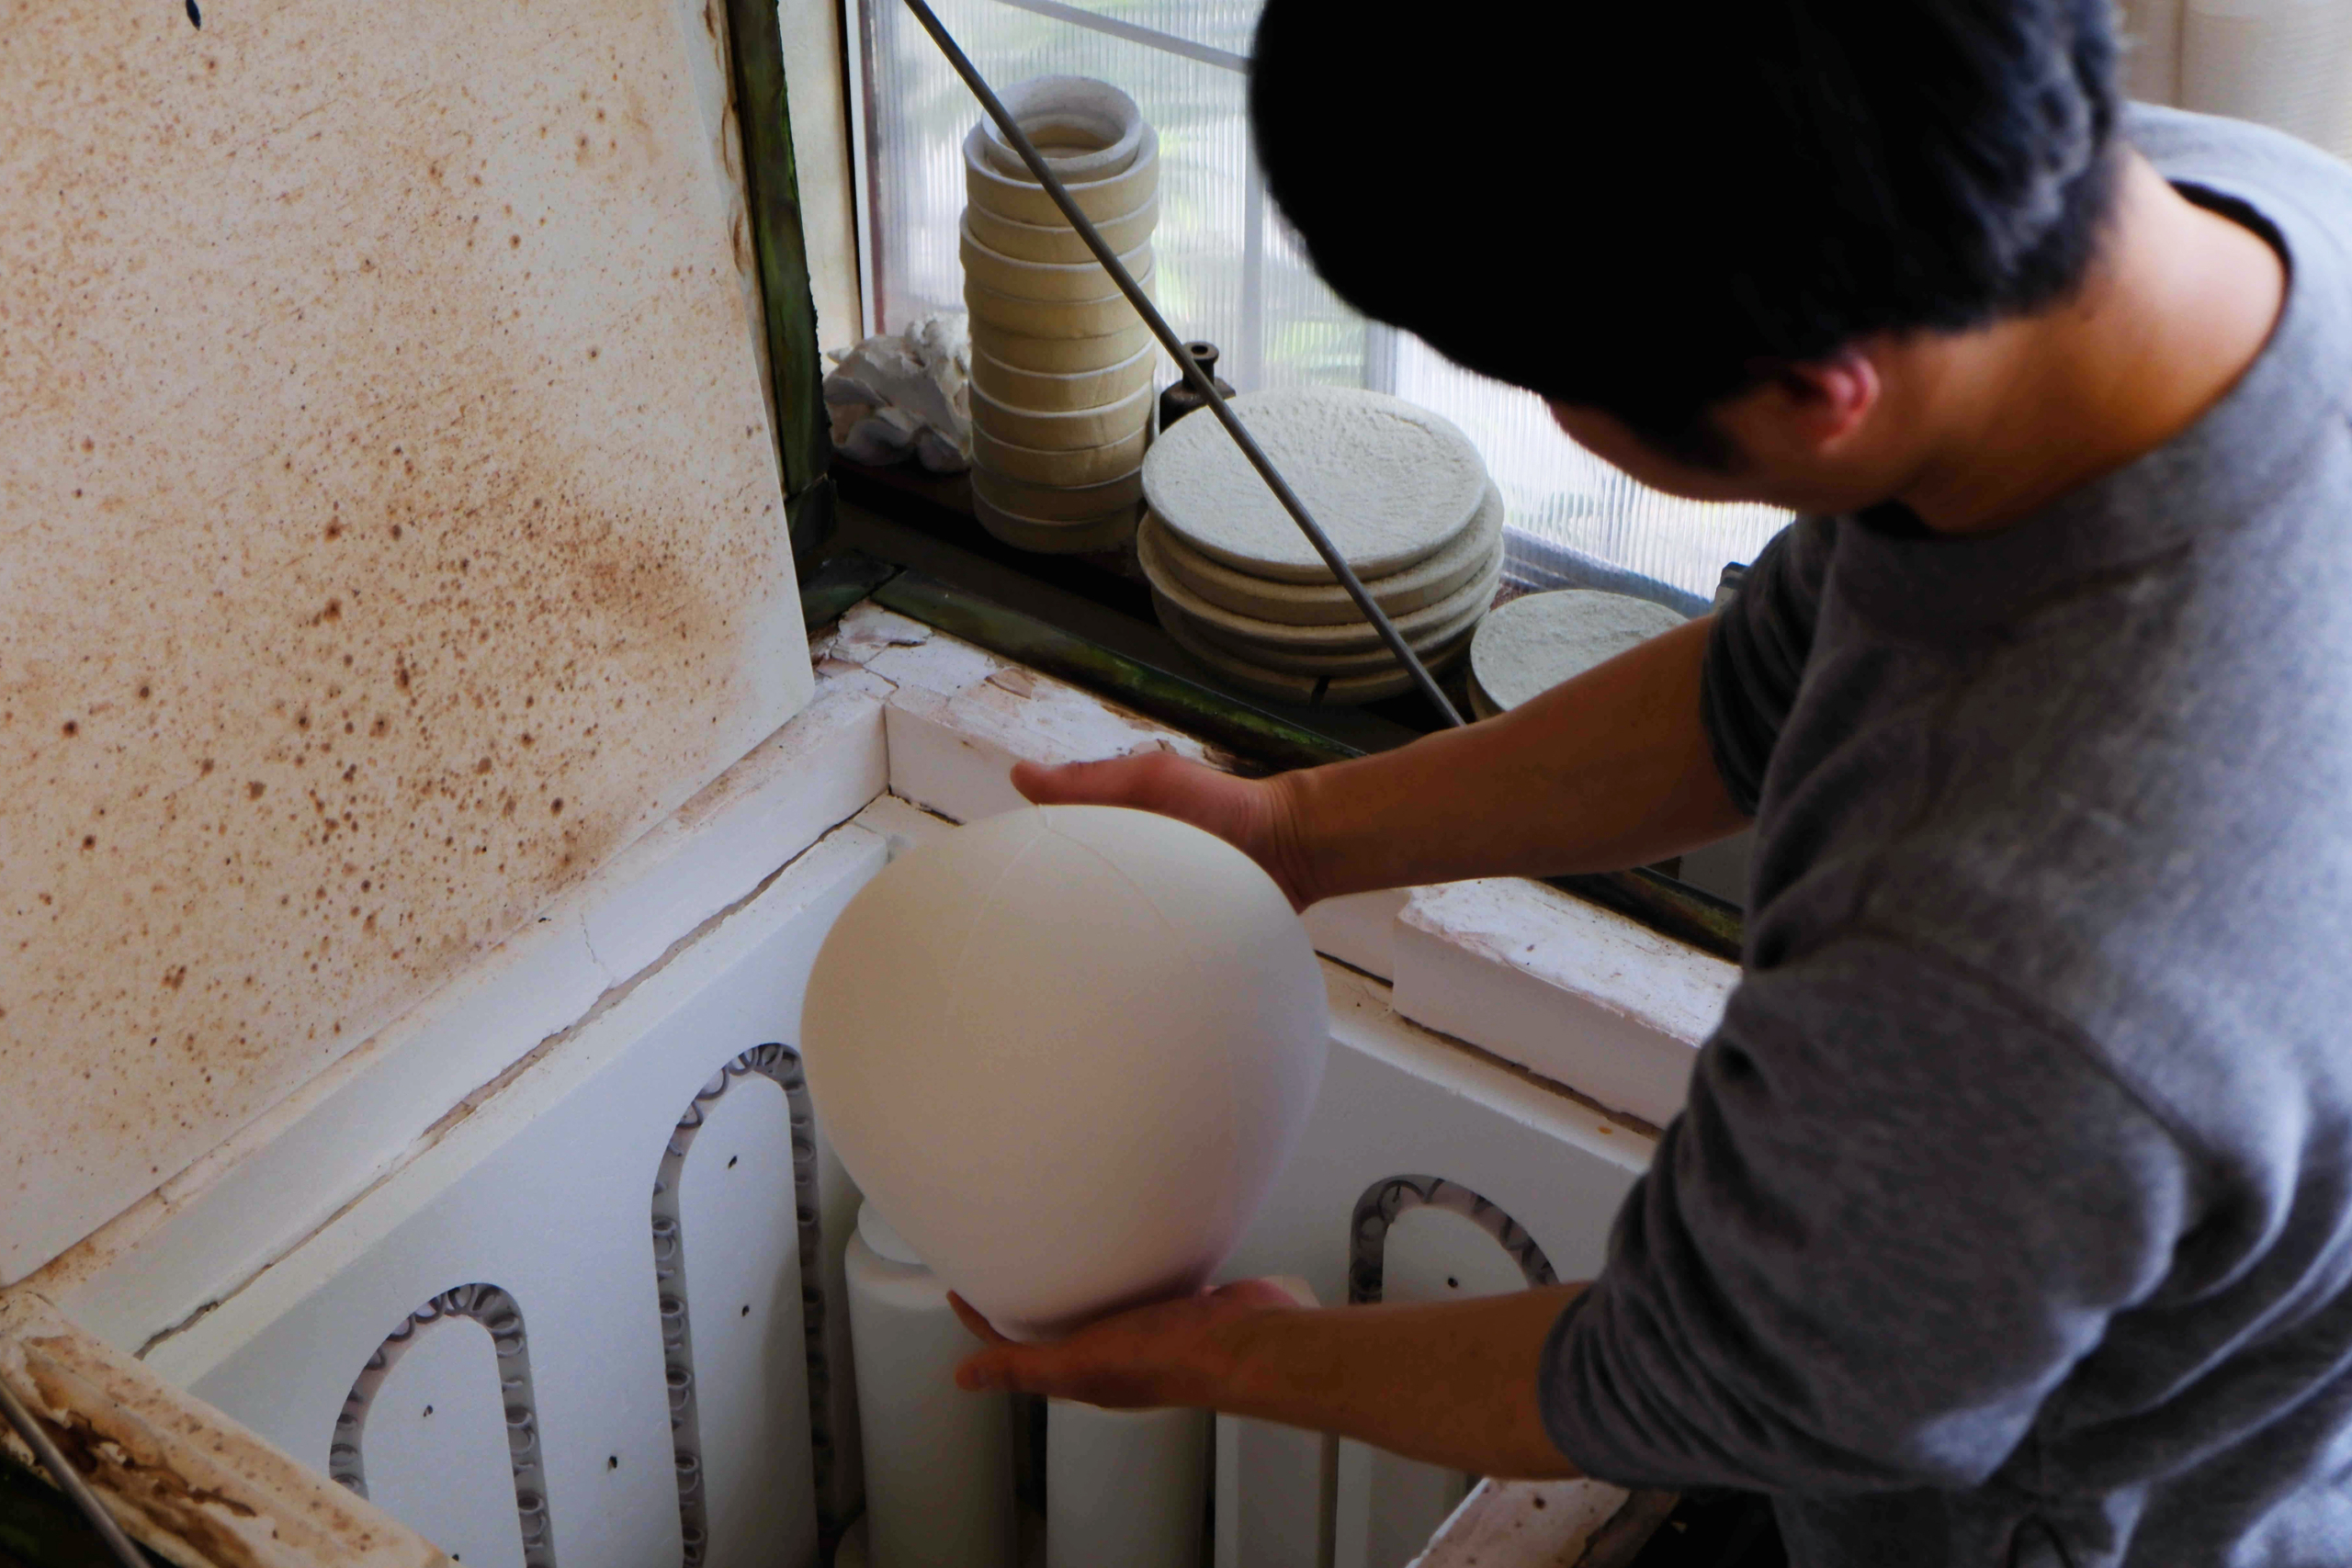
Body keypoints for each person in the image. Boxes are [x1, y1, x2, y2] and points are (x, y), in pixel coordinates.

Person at [944, 0, 2352, 1562]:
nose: (1560, 421)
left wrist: (1239, 1361)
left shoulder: (2009, 954)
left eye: (1557, 385)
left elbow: (1716, 1378)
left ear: (1820, 392)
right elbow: (1777, 670)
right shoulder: (2203, 220)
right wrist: (1296, 828)